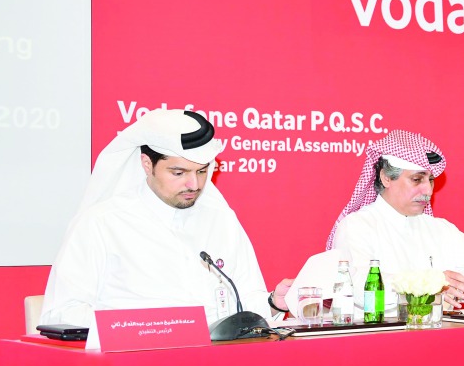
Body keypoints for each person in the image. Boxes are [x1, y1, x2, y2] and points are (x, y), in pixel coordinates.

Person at [40, 109, 290, 326]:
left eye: (202, 171)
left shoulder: (221, 220)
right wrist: (145, 327)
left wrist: (273, 303)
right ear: (147, 164)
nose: (194, 184)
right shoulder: (102, 223)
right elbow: (62, 314)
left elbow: (244, 303)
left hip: (214, 363)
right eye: (179, 172)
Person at [327, 130, 464, 309]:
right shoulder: (357, 226)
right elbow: (359, 287)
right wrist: (430, 285)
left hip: (440, 334)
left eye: (431, 180)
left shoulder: (442, 229)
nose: (428, 190)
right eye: (417, 179)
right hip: (380, 334)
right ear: (386, 178)